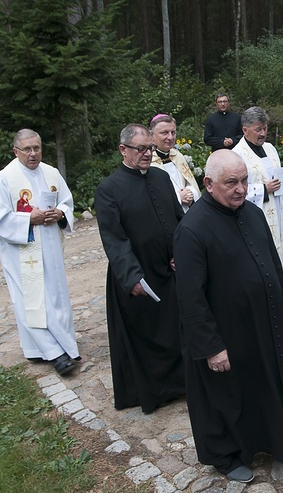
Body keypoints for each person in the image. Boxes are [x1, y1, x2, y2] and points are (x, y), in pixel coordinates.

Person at [173, 149, 283, 483]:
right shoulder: (192, 229)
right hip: (224, 331)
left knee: (268, 380)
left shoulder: (252, 214)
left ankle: (272, 441)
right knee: (226, 395)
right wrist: (211, 346)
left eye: (245, 180)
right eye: (232, 182)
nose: (241, 189)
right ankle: (226, 456)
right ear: (209, 183)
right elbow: (190, 297)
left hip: (261, 322)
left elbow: (273, 265)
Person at [94, 124, 185, 414]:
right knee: (145, 334)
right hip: (136, 274)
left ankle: (180, 384)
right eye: (141, 149)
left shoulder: (160, 177)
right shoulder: (109, 189)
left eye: (149, 148)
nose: (148, 154)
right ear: (123, 150)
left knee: (173, 329)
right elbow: (114, 238)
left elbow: (177, 219)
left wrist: (181, 253)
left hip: (167, 270)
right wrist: (132, 276)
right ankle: (153, 392)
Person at [0, 129, 79, 375]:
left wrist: (60, 213)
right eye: (27, 149)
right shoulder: (5, 178)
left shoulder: (52, 172)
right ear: (16, 151)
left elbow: (66, 202)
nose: (33, 153)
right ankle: (53, 354)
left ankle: (65, 345)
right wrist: (29, 218)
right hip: (22, 253)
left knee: (55, 297)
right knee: (31, 301)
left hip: (50, 248)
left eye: (36, 148)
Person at [232, 106, 283, 275]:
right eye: (258, 130)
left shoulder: (270, 148)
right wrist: (263, 189)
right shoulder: (236, 155)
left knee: (279, 258)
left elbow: (281, 180)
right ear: (245, 130)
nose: (263, 133)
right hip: (256, 213)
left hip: (276, 211)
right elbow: (234, 190)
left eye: (265, 128)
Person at [149, 113, 200, 212]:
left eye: (173, 132)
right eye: (165, 133)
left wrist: (190, 193)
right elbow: (151, 196)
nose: (170, 137)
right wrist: (178, 197)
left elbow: (189, 183)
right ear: (152, 136)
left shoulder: (178, 156)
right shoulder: (148, 162)